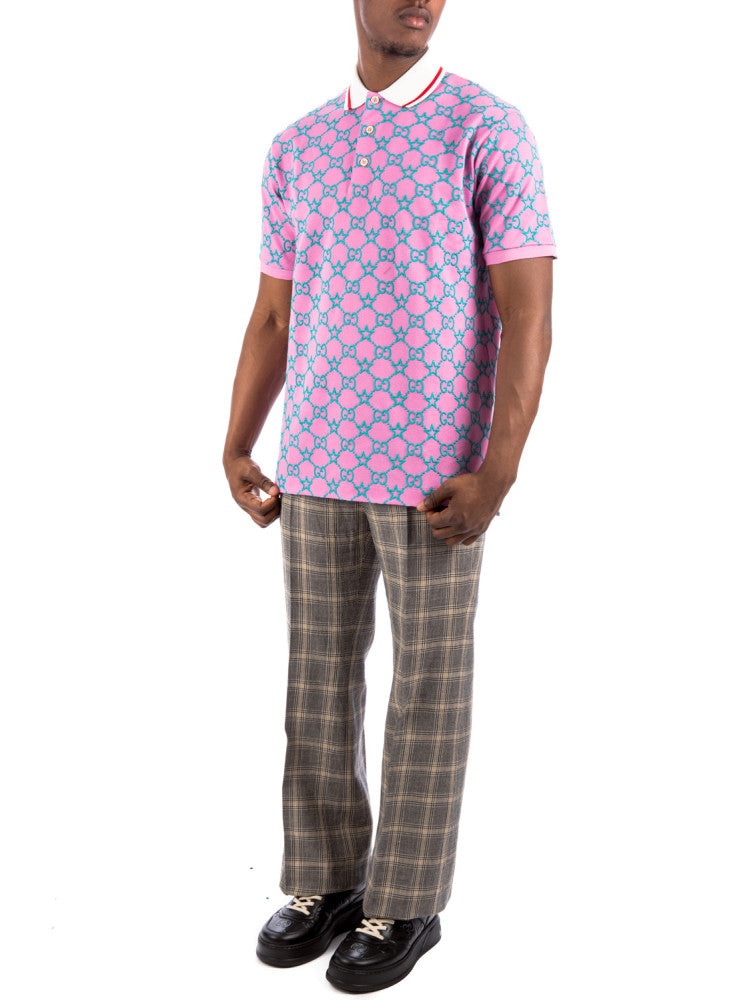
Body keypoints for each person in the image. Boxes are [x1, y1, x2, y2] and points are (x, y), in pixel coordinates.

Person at [222, 0, 557, 991]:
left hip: (437, 475)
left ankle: (404, 900)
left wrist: (498, 472)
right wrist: (237, 439)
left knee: (428, 694)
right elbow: (274, 313)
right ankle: (325, 880)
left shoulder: (486, 127)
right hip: (316, 461)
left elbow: (529, 312)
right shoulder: (298, 147)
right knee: (317, 683)